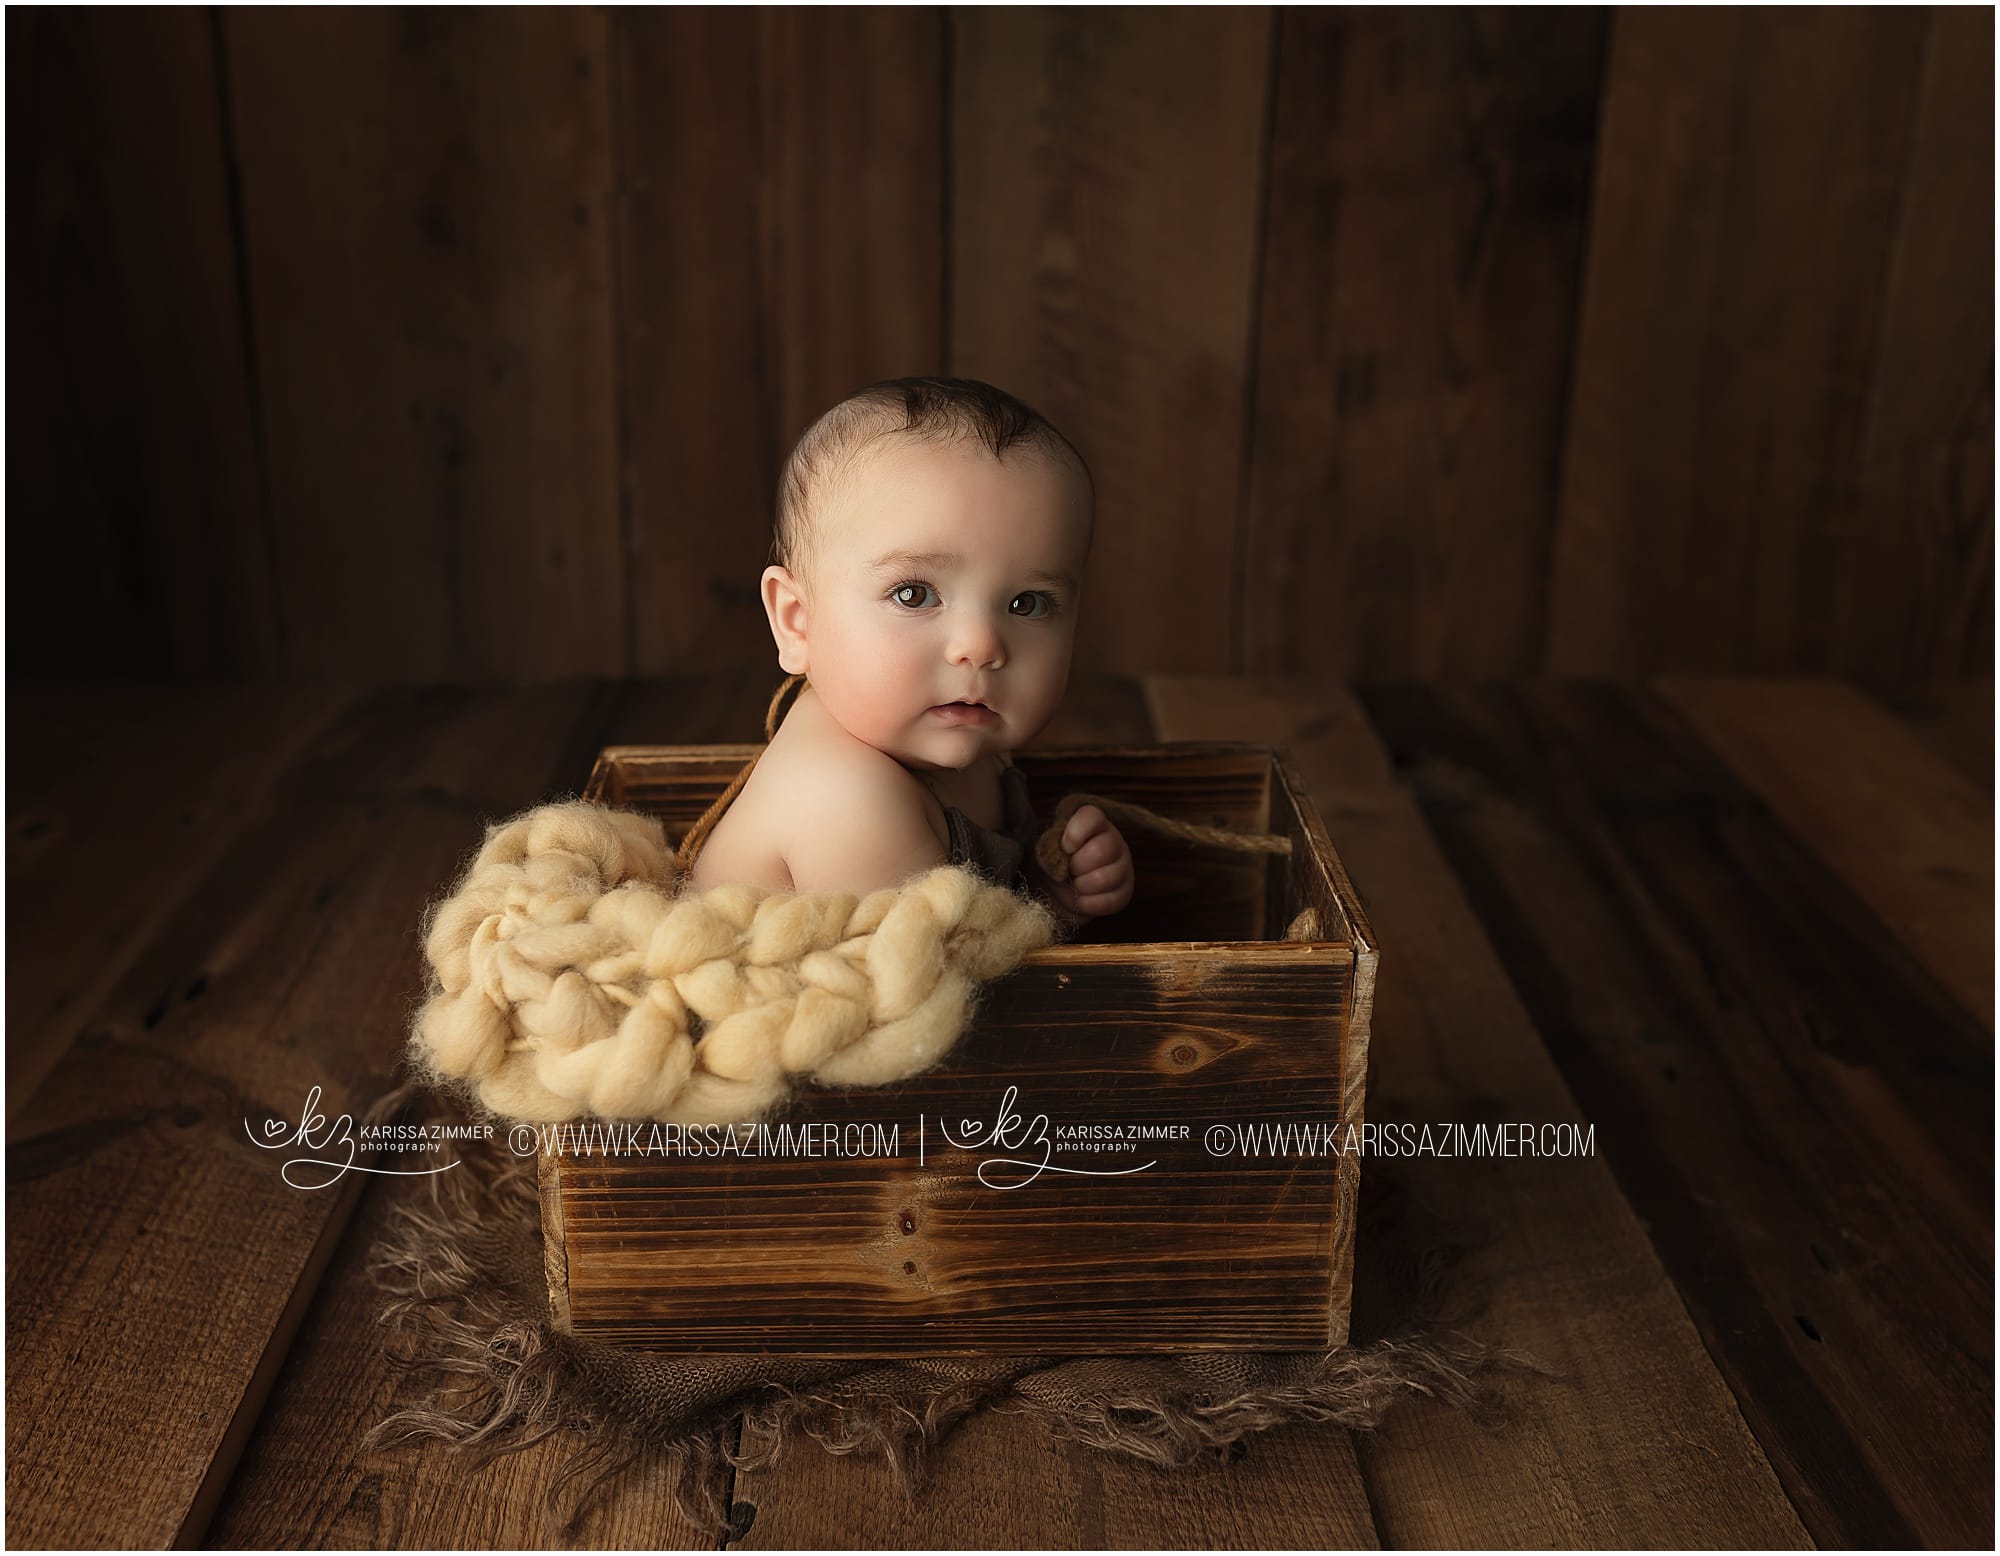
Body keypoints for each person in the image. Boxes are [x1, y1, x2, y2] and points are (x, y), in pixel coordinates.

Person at [688, 376, 1134, 927]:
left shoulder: (961, 741)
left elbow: (990, 941)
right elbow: (943, 992)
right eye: (913, 594)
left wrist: (1049, 898)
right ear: (797, 622)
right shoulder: (848, 800)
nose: (981, 646)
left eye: (1026, 604)